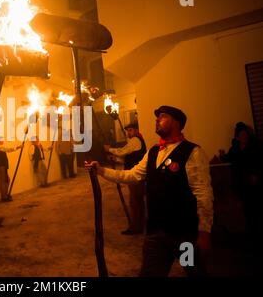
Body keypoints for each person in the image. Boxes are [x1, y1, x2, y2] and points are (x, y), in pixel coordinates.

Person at [86, 105, 213, 277]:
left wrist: (204, 232)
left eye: (163, 116)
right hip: (156, 233)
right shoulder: (153, 152)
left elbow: (203, 194)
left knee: (193, 271)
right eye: (157, 116)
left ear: (176, 123)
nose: (157, 119)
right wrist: (101, 170)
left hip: (184, 235)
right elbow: (131, 175)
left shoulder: (192, 152)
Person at [219, 122, 263, 246]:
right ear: (237, 137)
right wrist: (222, 156)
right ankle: (252, 235)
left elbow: (260, 162)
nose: (244, 137)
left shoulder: (256, 146)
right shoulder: (235, 148)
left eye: (246, 134)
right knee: (247, 210)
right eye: (241, 135)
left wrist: (256, 175)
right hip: (241, 184)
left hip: (255, 184)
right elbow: (228, 158)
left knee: (256, 208)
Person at [103, 122, 147, 235]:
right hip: (136, 175)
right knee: (137, 202)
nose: (128, 132)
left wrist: (110, 149)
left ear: (137, 130)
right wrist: (116, 159)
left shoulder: (135, 140)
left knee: (135, 202)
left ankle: (137, 227)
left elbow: (123, 151)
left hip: (135, 176)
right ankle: (139, 225)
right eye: (127, 130)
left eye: (131, 130)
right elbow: (128, 157)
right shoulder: (136, 141)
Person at [0, 137, 22, 202]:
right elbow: (9, 150)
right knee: (3, 181)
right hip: (1, 166)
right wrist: (18, 147)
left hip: (1, 166)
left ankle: (5, 194)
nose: (2, 141)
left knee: (6, 180)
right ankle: (4, 197)